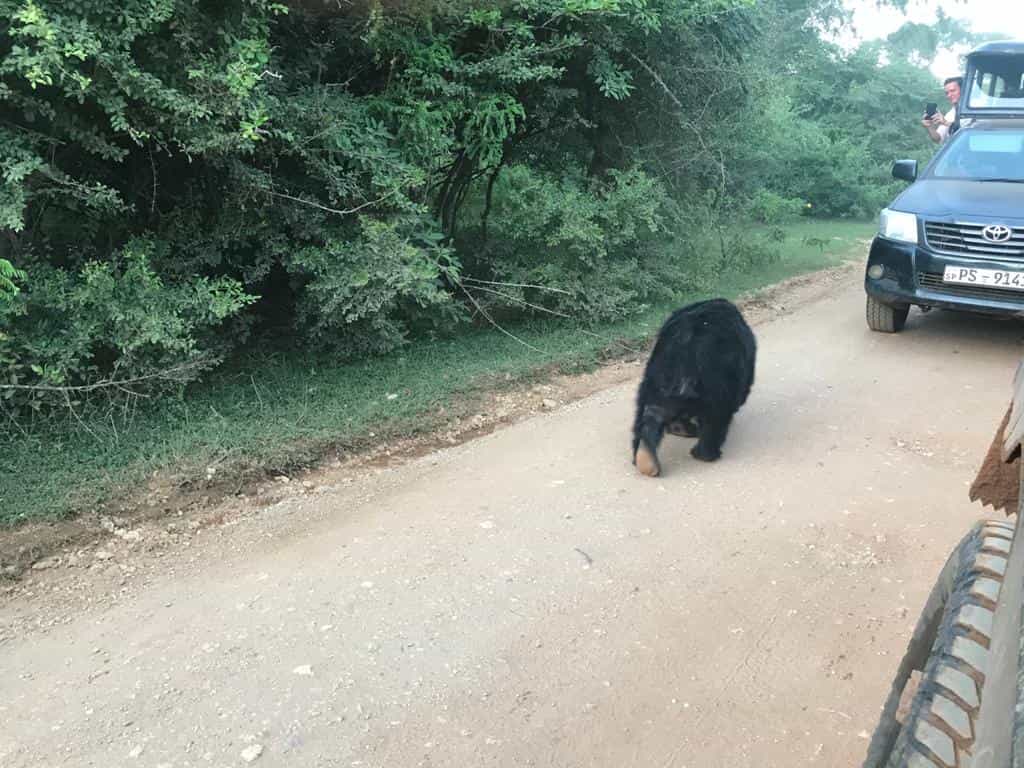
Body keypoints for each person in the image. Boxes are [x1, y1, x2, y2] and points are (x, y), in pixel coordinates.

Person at [923, 76, 963, 144]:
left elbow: (970, 132)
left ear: (963, 89)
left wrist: (946, 123)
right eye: (947, 93)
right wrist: (930, 127)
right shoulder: (951, 114)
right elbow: (938, 139)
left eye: (952, 91)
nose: (949, 95)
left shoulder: (976, 108)